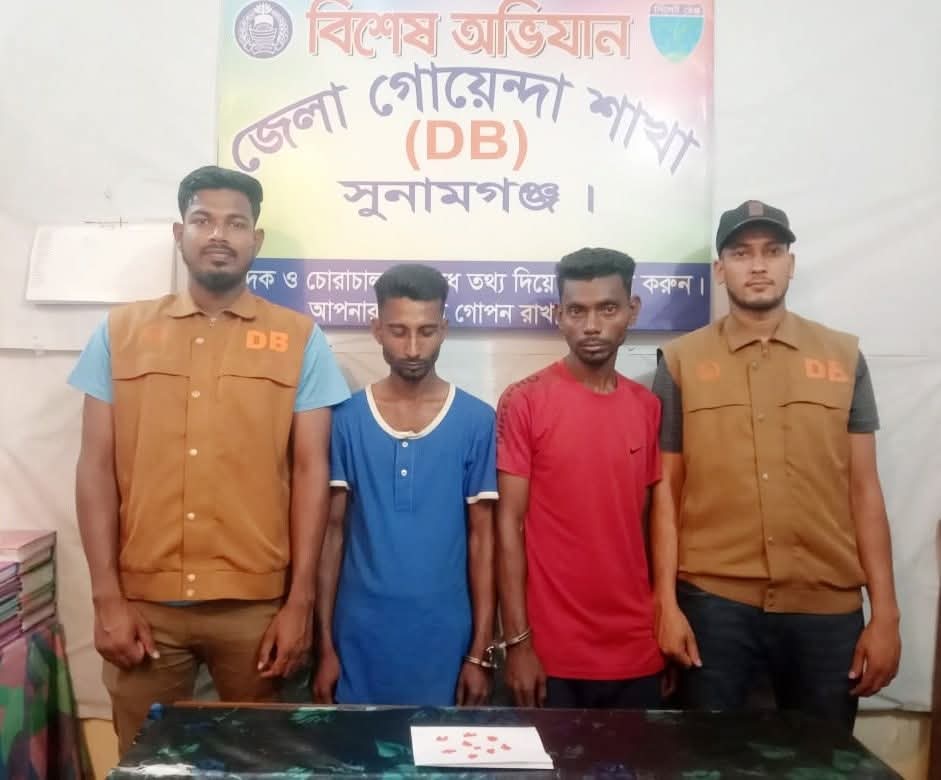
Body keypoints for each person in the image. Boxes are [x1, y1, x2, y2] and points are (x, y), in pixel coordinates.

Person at [69, 165, 349, 753]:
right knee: (150, 761)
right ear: (180, 233)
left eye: (235, 223)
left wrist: (299, 603)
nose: (219, 234)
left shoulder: (299, 338)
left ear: (256, 239)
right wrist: (106, 597)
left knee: (261, 760)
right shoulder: (120, 332)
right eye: (203, 220)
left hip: (256, 612)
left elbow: (310, 473)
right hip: (143, 609)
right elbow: (95, 468)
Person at [650, 199, 901, 730]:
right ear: (720, 269)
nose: (758, 265)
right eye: (741, 253)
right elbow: (666, 493)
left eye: (771, 251)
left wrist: (886, 614)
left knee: (823, 758)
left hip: (826, 611)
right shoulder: (681, 361)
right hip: (714, 607)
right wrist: (666, 605)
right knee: (710, 757)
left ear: (791, 262)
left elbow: (864, 490)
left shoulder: (843, 358)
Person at [312, 263, 498, 706]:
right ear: (377, 329)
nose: (413, 348)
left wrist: (479, 652)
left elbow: (483, 541)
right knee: (359, 749)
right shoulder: (346, 419)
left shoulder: (476, 420)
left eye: (426, 331)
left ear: (444, 330)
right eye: (398, 331)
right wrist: (325, 646)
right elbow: (331, 536)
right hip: (358, 636)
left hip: (447, 639)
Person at [495, 247, 664, 709]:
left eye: (607, 309)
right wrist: (518, 643)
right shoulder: (524, 401)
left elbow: (650, 527)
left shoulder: (648, 408)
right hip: (550, 656)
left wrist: (663, 626)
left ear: (632, 310)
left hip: (637, 648)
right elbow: (508, 525)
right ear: (559, 315)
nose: (592, 325)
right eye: (577, 311)